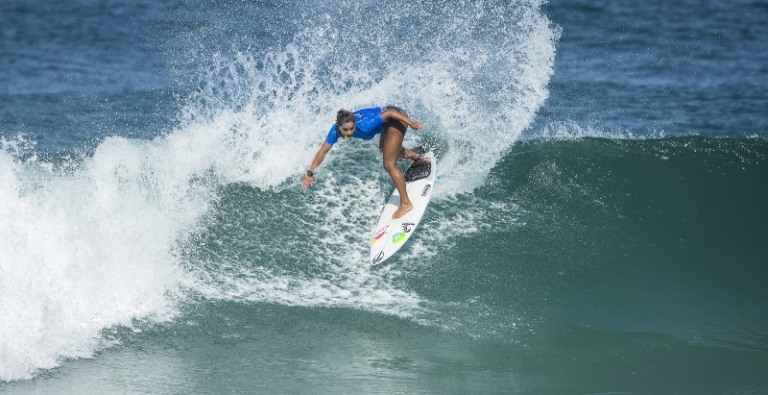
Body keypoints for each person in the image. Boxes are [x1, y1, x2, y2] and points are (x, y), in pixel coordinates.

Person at [301, 106, 427, 219]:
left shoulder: (366, 124)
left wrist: (411, 123)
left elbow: (389, 112)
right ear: (338, 126)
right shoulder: (335, 131)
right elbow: (323, 151)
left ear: (355, 123)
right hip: (386, 123)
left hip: (397, 118)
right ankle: (418, 158)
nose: (349, 132)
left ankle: (406, 203)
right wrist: (310, 173)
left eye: (352, 128)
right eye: (345, 130)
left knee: (389, 164)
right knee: (385, 149)